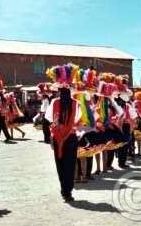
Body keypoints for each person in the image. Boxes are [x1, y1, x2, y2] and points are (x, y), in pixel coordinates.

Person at [45, 63, 82, 202]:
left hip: (57, 137)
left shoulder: (54, 102)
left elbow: (49, 119)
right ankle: (68, 192)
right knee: (70, 165)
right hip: (70, 138)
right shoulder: (76, 103)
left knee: (60, 165)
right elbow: (77, 119)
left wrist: (57, 130)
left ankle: (63, 191)